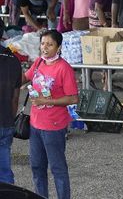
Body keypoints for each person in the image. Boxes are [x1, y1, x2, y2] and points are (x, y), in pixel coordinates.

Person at [26, 30, 79, 199]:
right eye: (43, 44)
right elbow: (25, 77)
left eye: (50, 44)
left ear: (58, 47)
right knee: (37, 166)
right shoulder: (39, 62)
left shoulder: (64, 68)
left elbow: (73, 98)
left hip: (54, 125)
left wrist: (48, 101)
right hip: (35, 124)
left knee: (57, 169)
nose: (45, 48)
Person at [0, 39, 21, 185]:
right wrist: (11, 120)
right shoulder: (13, 59)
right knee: (5, 171)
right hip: (6, 121)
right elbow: (15, 98)